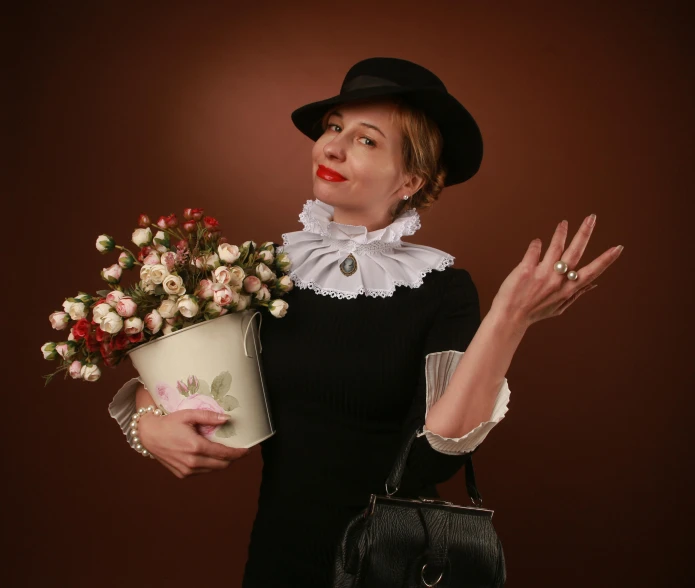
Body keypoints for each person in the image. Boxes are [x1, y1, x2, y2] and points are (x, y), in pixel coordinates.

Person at [108, 57, 623, 587]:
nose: (331, 146)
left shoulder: (442, 291)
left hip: (393, 569)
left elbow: (430, 457)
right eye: (334, 128)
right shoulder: (263, 272)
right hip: (277, 565)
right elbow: (187, 379)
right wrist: (147, 424)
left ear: (411, 178)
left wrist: (510, 319)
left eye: (367, 139)